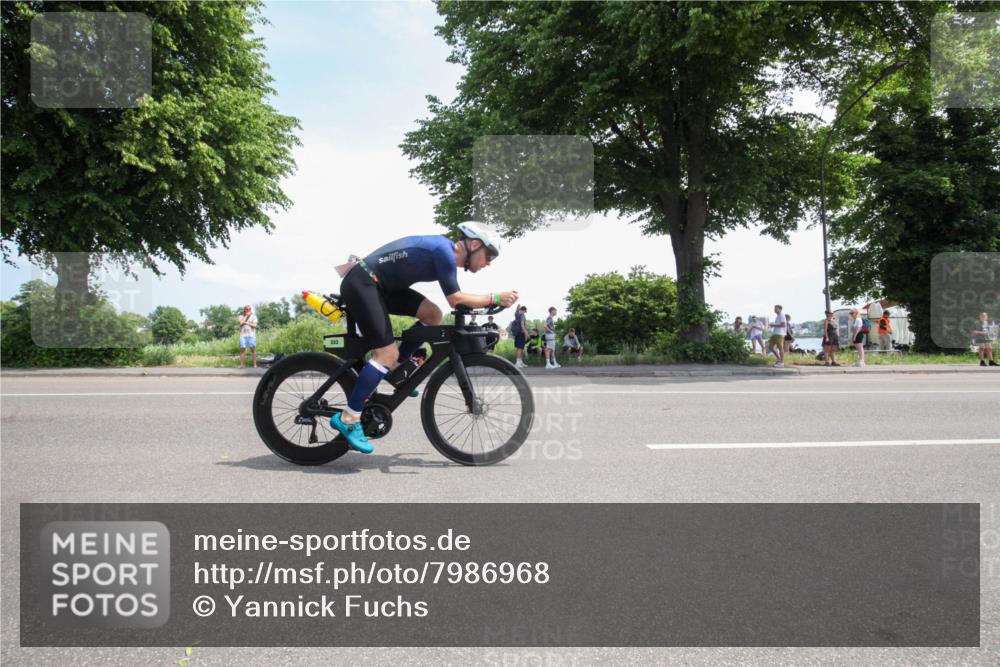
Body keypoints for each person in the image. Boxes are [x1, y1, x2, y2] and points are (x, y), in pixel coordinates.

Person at [329, 222, 517, 454]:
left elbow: (451, 302)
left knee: (432, 314)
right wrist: (495, 297)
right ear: (474, 244)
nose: (488, 263)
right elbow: (456, 299)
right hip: (364, 282)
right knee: (386, 354)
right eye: (488, 256)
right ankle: (349, 418)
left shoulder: (445, 252)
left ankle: (397, 372)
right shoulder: (444, 253)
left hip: (382, 286)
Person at [238, 304, 258, 369]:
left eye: (249, 309)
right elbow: (241, 323)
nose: (248, 310)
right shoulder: (241, 316)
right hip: (243, 335)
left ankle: (254, 364)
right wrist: (246, 316)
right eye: (247, 309)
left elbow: (254, 325)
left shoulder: (254, 317)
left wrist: (247, 323)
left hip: (251, 335)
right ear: (244, 310)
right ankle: (242, 364)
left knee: (253, 349)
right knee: (242, 350)